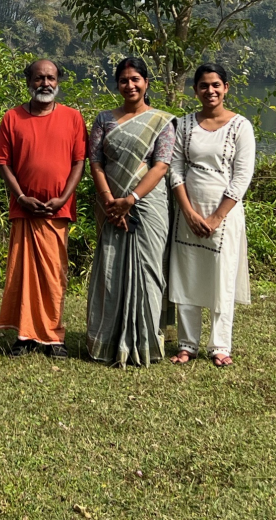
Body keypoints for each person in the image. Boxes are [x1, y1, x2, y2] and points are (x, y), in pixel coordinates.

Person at [0, 60, 87, 360]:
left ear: (58, 81)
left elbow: (79, 161)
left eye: (50, 78)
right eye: (38, 78)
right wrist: (21, 197)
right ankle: (24, 335)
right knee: (22, 275)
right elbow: (3, 162)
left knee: (53, 276)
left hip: (56, 211)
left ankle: (52, 336)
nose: (45, 83)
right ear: (28, 81)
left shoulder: (73, 117)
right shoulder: (13, 117)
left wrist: (63, 198)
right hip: (24, 210)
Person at [86, 58, 176, 368]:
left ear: (146, 82)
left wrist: (131, 199)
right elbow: (95, 162)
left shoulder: (162, 121)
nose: (130, 85)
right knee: (110, 272)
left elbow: (161, 166)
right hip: (110, 204)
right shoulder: (104, 119)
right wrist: (111, 201)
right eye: (124, 80)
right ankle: (108, 342)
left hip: (148, 205)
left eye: (135, 79)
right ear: (118, 84)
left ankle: (145, 343)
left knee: (148, 270)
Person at [168, 62, 256, 368]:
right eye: (204, 85)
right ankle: (187, 344)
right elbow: (175, 168)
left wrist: (217, 217)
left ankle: (220, 346)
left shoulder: (240, 126)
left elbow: (242, 177)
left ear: (226, 88)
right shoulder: (183, 124)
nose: (210, 91)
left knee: (222, 277)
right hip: (188, 212)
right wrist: (188, 211)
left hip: (225, 215)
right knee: (188, 274)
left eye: (216, 85)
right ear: (195, 90)